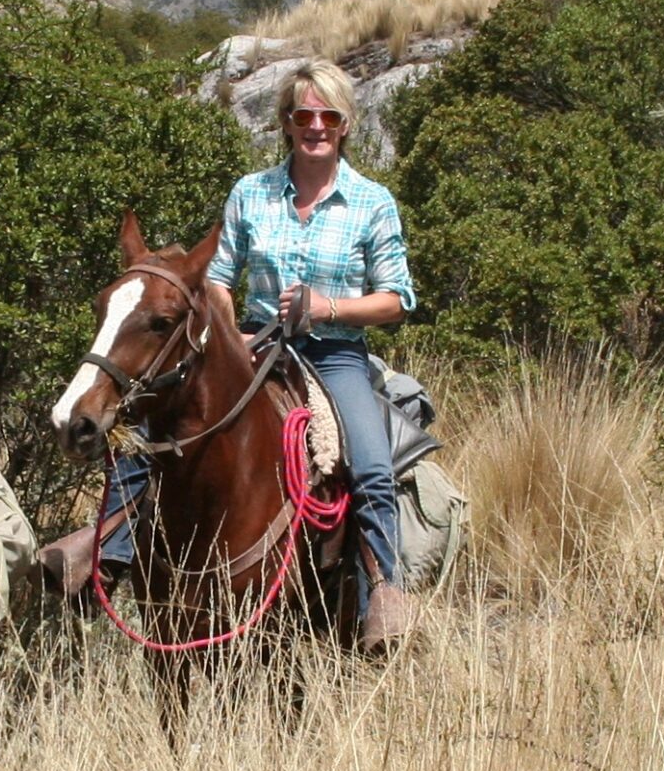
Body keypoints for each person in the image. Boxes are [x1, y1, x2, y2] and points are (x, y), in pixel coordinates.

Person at [80, 58, 419, 651]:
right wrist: (230, 337)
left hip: (334, 353)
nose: (315, 125)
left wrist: (327, 308)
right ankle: (106, 552)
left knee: (368, 465)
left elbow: (396, 299)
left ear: (345, 124)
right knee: (150, 423)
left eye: (328, 116)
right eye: (303, 115)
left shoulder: (372, 201)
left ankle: (379, 593)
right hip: (256, 341)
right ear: (286, 122)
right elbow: (217, 280)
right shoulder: (252, 192)